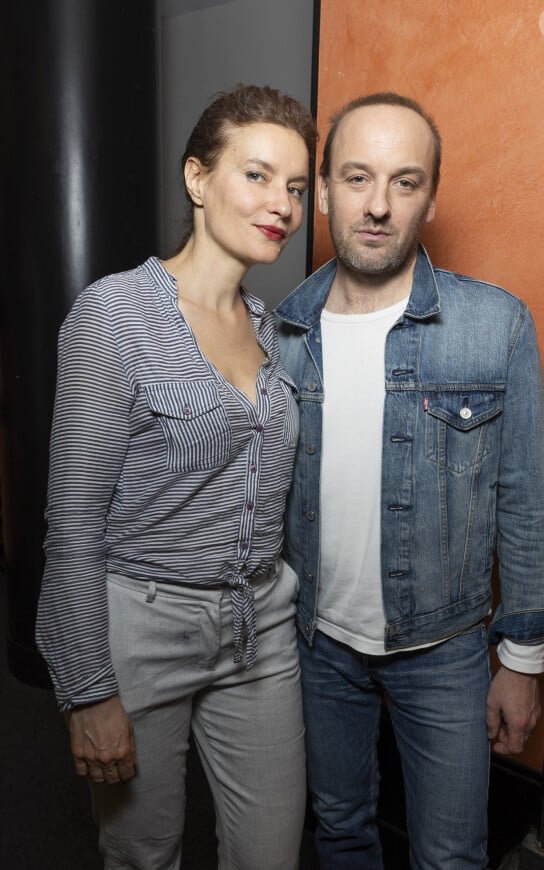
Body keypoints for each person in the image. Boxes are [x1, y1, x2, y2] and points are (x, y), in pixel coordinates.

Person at [275, 92, 544, 869]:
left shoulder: (495, 323)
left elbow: (528, 506)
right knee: (340, 830)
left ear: (431, 198)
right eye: (357, 178)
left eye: (404, 182)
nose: (377, 205)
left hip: (446, 652)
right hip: (317, 646)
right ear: (325, 189)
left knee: (450, 857)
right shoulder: (281, 333)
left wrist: (522, 662)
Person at [35, 83, 318, 870]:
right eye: (257, 175)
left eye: (295, 187)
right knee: (142, 852)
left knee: (270, 855)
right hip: (142, 626)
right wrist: (88, 689)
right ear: (198, 179)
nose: (283, 204)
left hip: (258, 624)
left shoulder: (272, 326)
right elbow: (74, 525)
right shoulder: (114, 314)